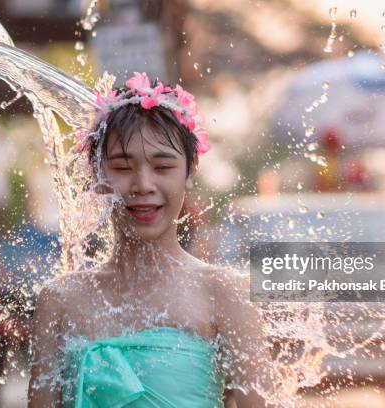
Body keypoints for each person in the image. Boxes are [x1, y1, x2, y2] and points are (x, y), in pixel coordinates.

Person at [28, 72, 274, 407]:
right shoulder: (60, 301)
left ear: (190, 171)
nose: (142, 184)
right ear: (97, 175)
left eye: (162, 167)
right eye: (123, 167)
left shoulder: (225, 294)